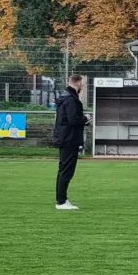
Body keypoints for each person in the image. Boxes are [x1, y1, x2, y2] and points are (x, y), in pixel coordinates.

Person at [53, 74, 92, 210]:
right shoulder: (71, 100)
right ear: (79, 83)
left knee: (63, 169)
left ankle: (61, 200)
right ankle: (61, 201)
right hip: (69, 139)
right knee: (66, 170)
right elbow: (73, 120)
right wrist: (85, 118)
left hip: (65, 137)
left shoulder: (64, 97)